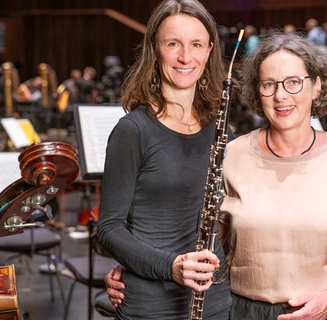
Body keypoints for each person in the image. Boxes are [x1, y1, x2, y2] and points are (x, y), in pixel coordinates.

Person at [105, 32, 327, 320]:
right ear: (257, 92)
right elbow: (200, 236)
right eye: (269, 85)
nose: (281, 96)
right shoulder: (232, 155)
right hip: (243, 312)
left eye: (294, 82)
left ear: (316, 85)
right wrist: (137, 270)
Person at [95, 0, 233, 318]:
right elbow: (109, 228)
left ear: (209, 50)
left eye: (196, 44)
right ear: (156, 50)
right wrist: (170, 266)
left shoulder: (221, 128)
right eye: (173, 44)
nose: (186, 57)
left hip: (215, 300)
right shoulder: (133, 130)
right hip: (152, 305)